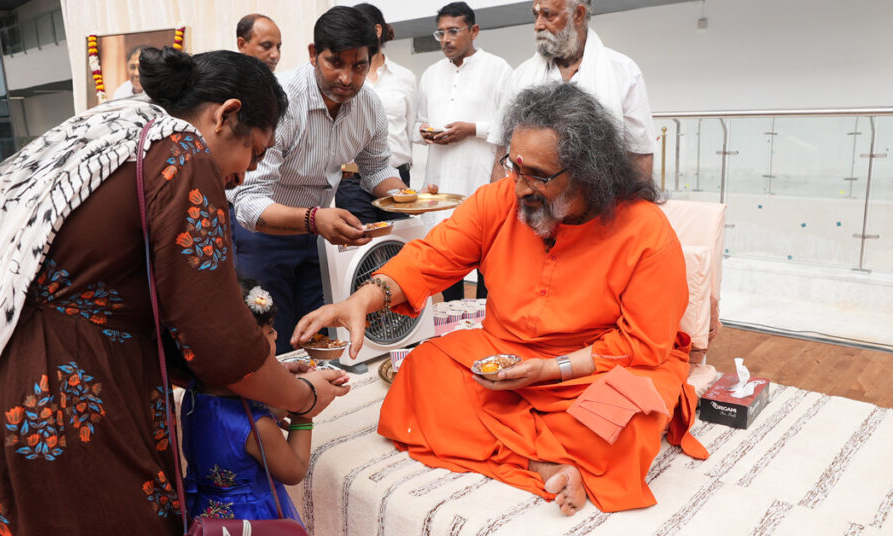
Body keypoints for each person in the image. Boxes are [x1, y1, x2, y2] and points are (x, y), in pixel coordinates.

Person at [0, 48, 350, 535]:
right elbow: (219, 338)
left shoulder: (103, 132)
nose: (247, 174)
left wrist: (270, 375)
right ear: (225, 114)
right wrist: (301, 399)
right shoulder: (182, 151)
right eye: (255, 150)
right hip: (48, 411)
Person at [293, 84, 707, 516]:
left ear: (587, 171)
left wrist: (552, 369)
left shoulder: (645, 232)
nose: (520, 187)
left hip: (595, 367)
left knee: (627, 421)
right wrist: (363, 298)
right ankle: (544, 462)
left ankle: (529, 443)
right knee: (422, 370)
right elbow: (432, 257)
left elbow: (643, 345)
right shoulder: (497, 201)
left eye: (538, 176)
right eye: (514, 167)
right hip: (504, 354)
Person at [228, 6, 414, 354]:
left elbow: (375, 169)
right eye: (335, 64)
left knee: (321, 336)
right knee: (271, 340)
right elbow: (249, 202)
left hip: (317, 238)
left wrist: (410, 199)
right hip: (263, 237)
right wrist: (314, 218)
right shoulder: (280, 101)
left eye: (359, 66)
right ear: (314, 54)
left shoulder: (369, 106)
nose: (347, 78)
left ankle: (315, 403)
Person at [182, 279, 330, 524]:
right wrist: (305, 408)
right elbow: (295, 470)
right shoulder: (257, 428)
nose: (276, 334)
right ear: (246, 351)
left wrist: (282, 381)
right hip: (253, 521)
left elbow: (230, 421)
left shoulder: (195, 393)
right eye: (269, 331)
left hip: (207, 515)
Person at [490, 0, 655, 180]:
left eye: (548, 15)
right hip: (532, 199)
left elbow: (640, 153)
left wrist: (636, 205)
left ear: (578, 14)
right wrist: (499, 206)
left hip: (600, 200)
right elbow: (501, 148)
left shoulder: (624, 72)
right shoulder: (521, 75)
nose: (538, 25)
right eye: (536, 15)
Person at [415, 1, 512, 301]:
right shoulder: (430, 74)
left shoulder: (498, 69)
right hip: (441, 183)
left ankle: (487, 327)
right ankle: (451, 330)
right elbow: (419, 122)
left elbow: (510, 125)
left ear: (474, 31)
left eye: (453, 31)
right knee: (447, 258)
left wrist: (471, 129)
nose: (445, 39)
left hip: (481, 180)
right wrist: (426, 132)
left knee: (488, 260)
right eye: (440, 33)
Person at [335, 2, 417, 225]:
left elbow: (410, 127)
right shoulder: (343, 78)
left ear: (377, 31)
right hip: (352, 180)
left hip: (395, 177)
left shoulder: (405, 77)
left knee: (398, 247)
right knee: (359, 251)